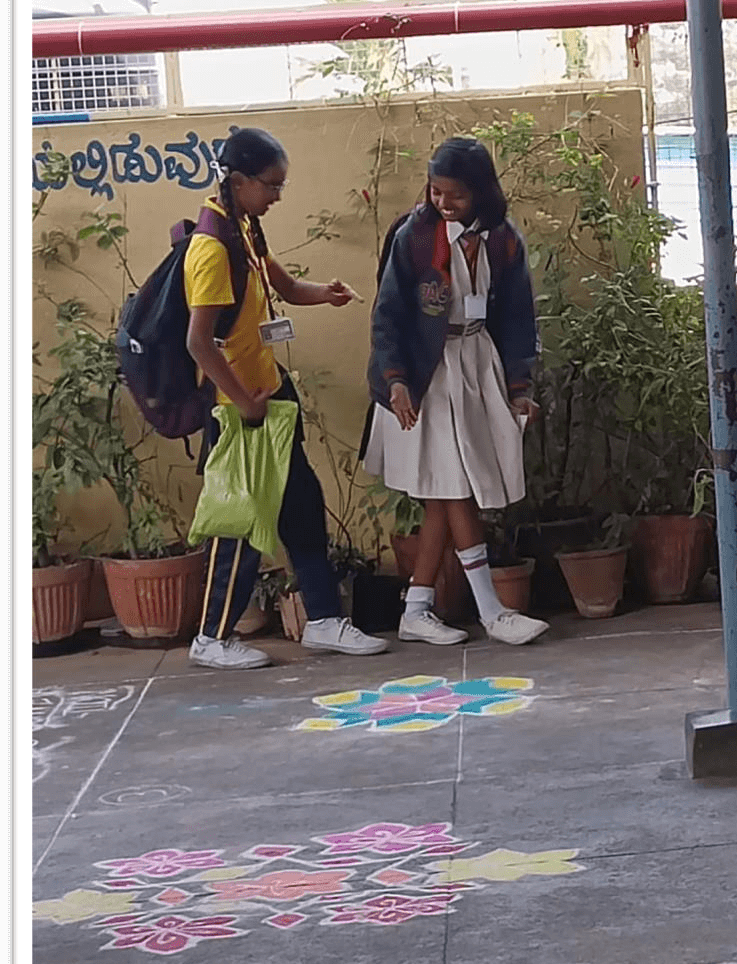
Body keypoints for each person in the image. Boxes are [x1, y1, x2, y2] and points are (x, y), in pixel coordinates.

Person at [185, 126, 389, 670]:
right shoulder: (211, 248)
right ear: (238, 181)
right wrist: (243, 403)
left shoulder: (244, 229)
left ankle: (322, 619)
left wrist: (325, 294)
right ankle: (211, 637)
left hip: (270, 398)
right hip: (239, 409)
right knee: (241, 520)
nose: (277, 195)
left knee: (301, 507)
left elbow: (286, 288)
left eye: (281, 185)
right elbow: (198, 343)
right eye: (271, 185)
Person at [362, 136, 549, 646]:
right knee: (456, 488)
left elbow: (518, 316)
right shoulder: (415, 236)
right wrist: (396, 381)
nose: (443, 202)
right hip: (428, 374)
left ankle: (416, 608)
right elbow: (388, 314)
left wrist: (518, 387)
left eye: (457, 195)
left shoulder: (503, 240)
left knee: (443, 494)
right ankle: (492, 611)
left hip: (476, 365)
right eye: (436, 191)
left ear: (482, 192)